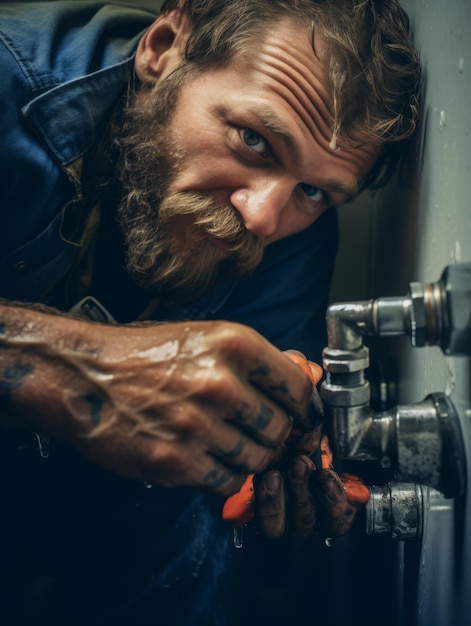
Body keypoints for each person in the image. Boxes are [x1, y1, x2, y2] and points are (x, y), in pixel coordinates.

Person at [0, 1, 420, 624]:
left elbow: (261, 441)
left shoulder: (292, 234)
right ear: (164, 47)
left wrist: (280, 449)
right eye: (254, 140)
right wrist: (69, 366)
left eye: (313, 191)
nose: (264, 218)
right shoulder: (10, 85)